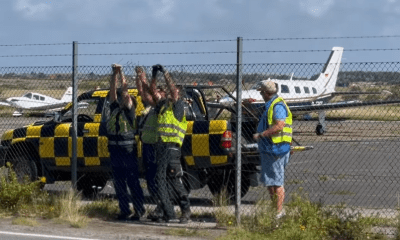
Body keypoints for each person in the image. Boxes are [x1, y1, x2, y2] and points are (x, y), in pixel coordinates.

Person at [145, 64, 191, 224]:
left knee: (174, 181)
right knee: (162, 182)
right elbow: (152, 92)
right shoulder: (163, 108)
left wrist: (165, 73)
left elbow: (172, 90)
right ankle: (165, 211)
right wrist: (153, 75)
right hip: (161, 148)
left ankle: (186, 210)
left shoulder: (178, 107)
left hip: (172, 149)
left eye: (174, 92)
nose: (170, 93)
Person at [106, 64, 145, 221]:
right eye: (123, 97)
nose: (124, 97)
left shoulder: (129, 110)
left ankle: (139, 210)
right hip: (114, 150)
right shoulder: (115, 107)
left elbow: (124, 89)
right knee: (119, 183)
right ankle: (124, 210)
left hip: (127, 150)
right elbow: (113, 90)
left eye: (127, 97)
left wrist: (121, 73)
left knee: (132, 182)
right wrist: (114, 74)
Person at [252, 80, 292, 219]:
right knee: (271, 182)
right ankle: (275, 210)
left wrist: (262, 134)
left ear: (266, 93)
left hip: (276, 149)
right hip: (270, 149)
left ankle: (278, 212)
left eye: (262, 92)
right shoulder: (270, 105)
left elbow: (280, 125)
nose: (261, 95)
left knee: (276, 182)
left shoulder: (277, 105)